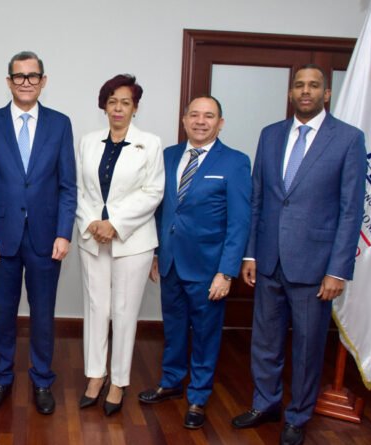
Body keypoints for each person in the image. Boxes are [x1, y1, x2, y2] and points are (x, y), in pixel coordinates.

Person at [231, 64, 366, 445]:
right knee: (265, 341)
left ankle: (298, 415)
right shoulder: (270, 134)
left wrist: (338, 270)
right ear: (291, 93)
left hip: (316, 266)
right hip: (268, 260)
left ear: (326, 93)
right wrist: (250, 254)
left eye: (314, 85)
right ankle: (266, 403)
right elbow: (258, 197)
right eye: (299, 85)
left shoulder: (348, 139)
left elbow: (351, 210)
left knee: (308, 347)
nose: (306, 91)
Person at [0, 51, 76, 415]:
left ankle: (42, 380)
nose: (26, 82)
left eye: (33, 76)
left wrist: (64, 232)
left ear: (43, 81)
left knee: (43, 314)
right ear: (9, 81)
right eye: (19, 76)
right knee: (3, 313)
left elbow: (68, 185)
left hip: (47, 237)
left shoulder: (60, 124)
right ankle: (2, 378)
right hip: (2, 237)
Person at [139, 95, 251, 429]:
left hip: (209, 268)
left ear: (220, 123)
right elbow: (161, 210)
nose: (201, 121)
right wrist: (156, 253)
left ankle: (199, 397)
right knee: (173, 329)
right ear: (185, 120)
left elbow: (239, 222)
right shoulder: (169, 155)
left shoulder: (235, 162)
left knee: (205, 334)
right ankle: (171, 382)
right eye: (195, 115)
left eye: (209, 116)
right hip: (171, 261)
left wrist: (226, 272)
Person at [75, 74, 164, 416]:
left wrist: (115, 224)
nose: (118, 108)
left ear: (135, 108)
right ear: (104, 106)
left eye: (125, 102)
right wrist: (92, 223)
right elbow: (78, 189)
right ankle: (95, 376)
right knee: (96, 309)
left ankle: (118, 381)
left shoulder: (150, 143)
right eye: (112, 101)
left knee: (124, 312)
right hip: (92, 238)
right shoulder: (88, 142)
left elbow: (153, 192)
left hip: (133, 240)